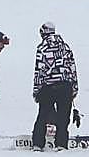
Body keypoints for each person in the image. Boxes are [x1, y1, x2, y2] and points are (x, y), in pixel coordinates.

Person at [32, 22, 77, 150]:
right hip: (65, 87)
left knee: (43, 116)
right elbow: (72, 69)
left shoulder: (42, 48)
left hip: (48, 87)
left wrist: (36, 91)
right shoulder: (66, 47)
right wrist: (74, 88)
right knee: (63, 117)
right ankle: (61, 143)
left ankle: (38, 143)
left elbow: (39, 71)